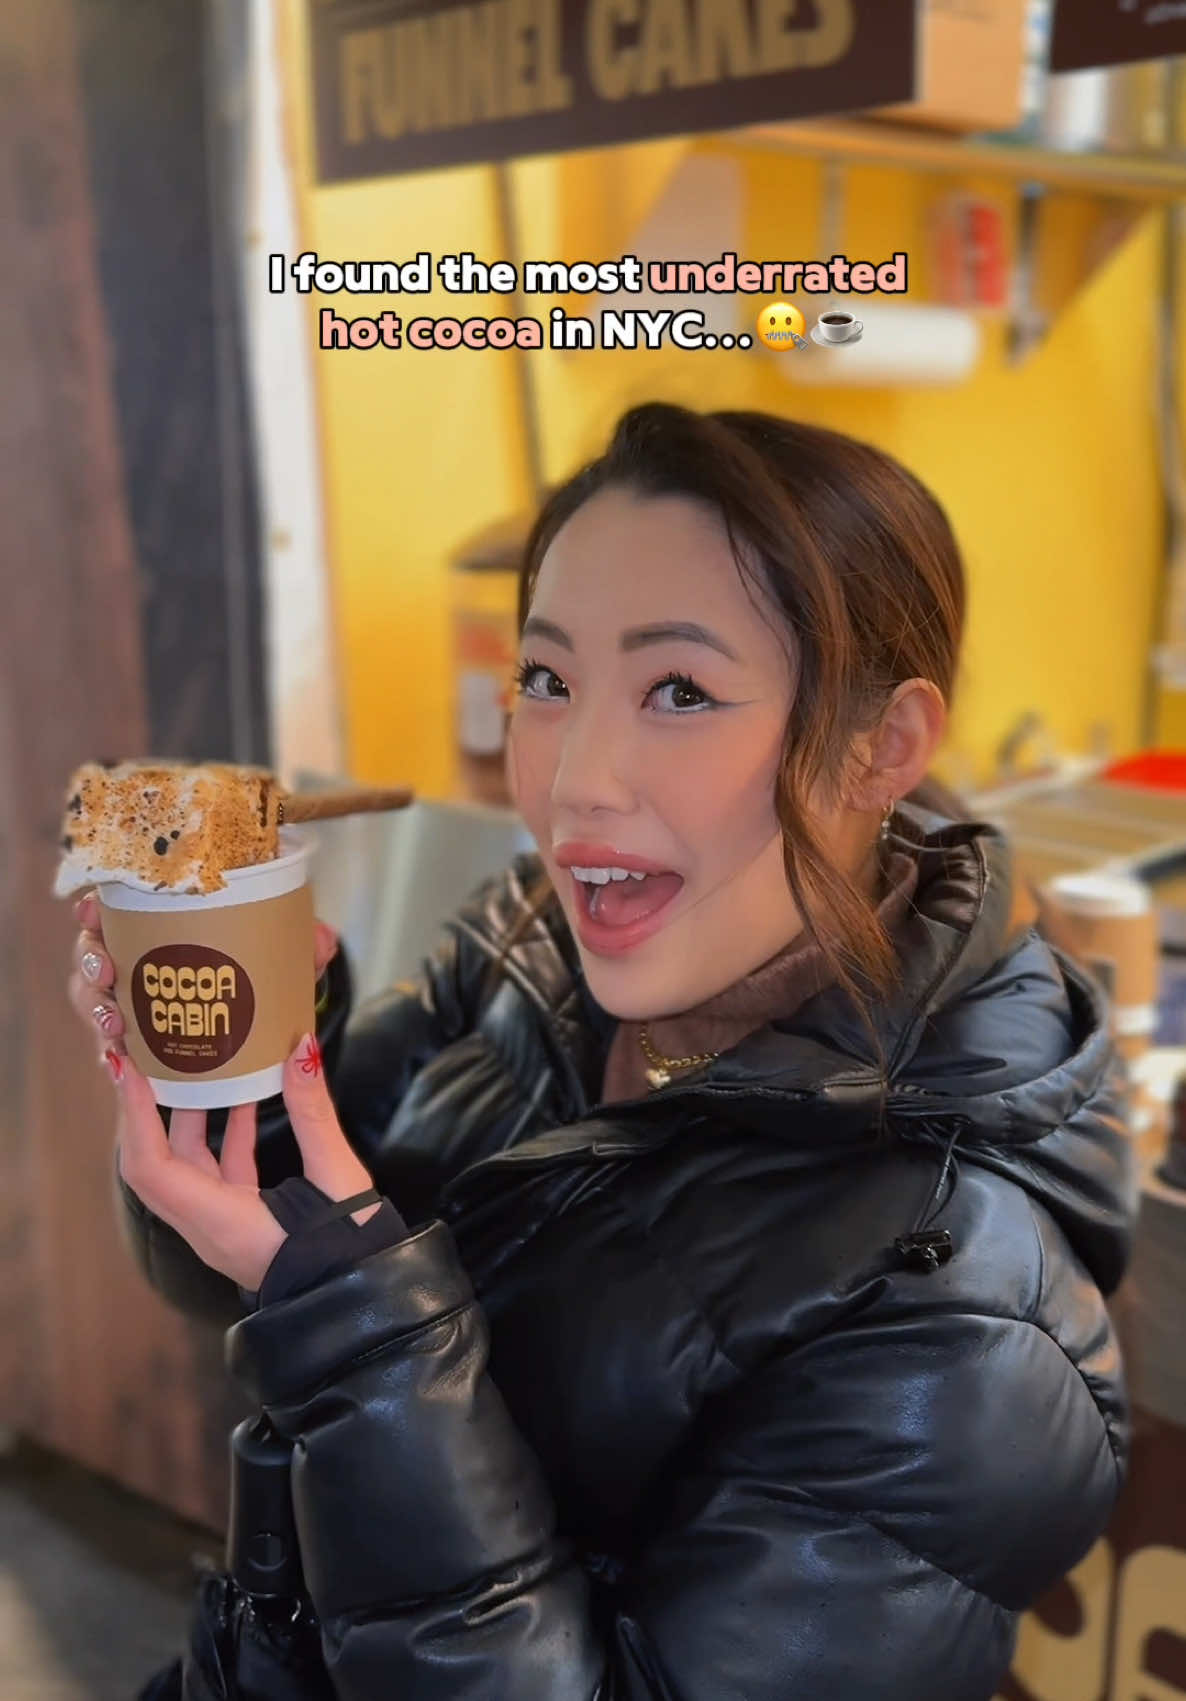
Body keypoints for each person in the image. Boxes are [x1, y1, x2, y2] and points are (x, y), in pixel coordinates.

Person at [69, 402, 1136, 1700]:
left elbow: (346, 1320)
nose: (575, 778)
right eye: (547, 680)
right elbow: (242, 1270)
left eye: (679, 690)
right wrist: (232, 1069)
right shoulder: (526, 948)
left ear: (881, 747)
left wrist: (363, 1332)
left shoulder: (959, 1317)